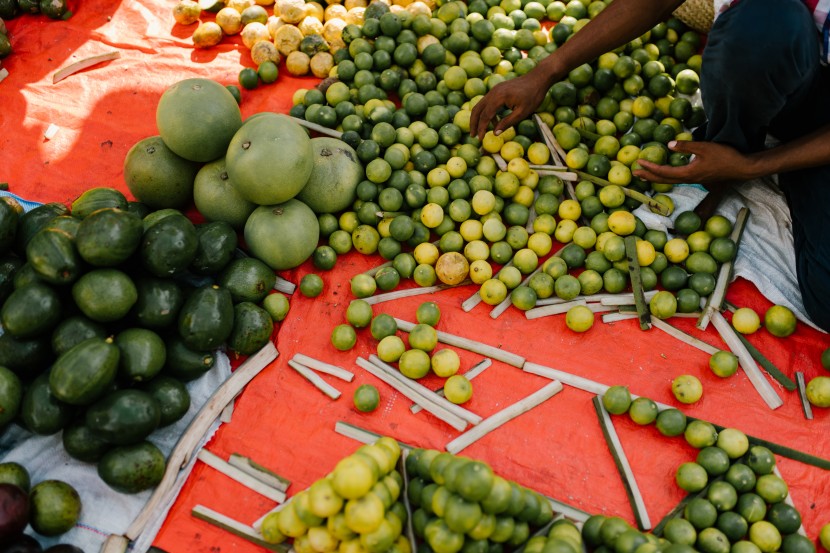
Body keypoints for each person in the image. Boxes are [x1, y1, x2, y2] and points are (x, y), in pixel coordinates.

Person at [469, 0, 830, 331]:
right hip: (786, 61)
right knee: (766, 20)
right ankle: (732, 138)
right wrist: (546, 71)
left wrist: (753, 166)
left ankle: (788, 165)